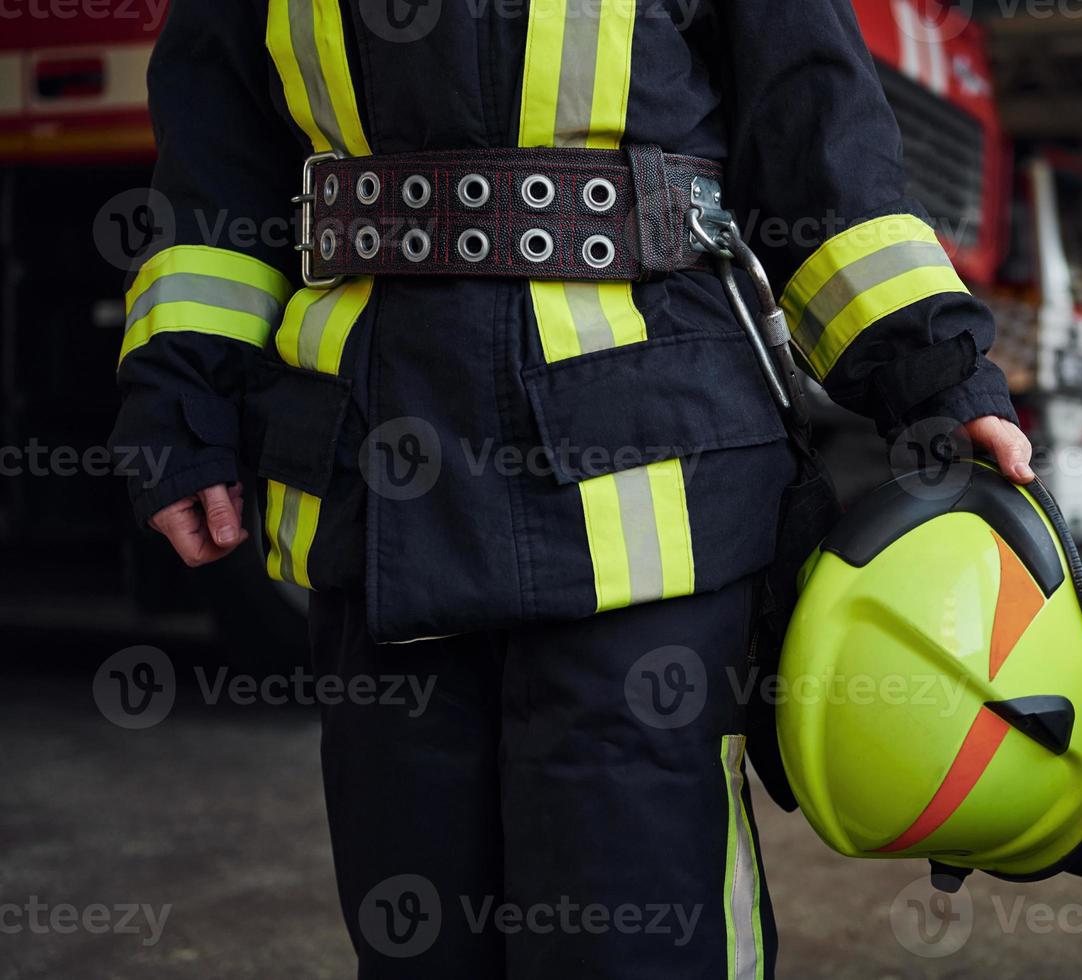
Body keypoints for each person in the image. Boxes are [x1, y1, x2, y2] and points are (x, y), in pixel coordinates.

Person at [111, 1, 1033, 976]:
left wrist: (936, 381)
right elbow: (217, 182)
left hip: (640, 500)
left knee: (631, 932)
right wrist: (182, 401)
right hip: (377, 503)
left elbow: (817, 140)